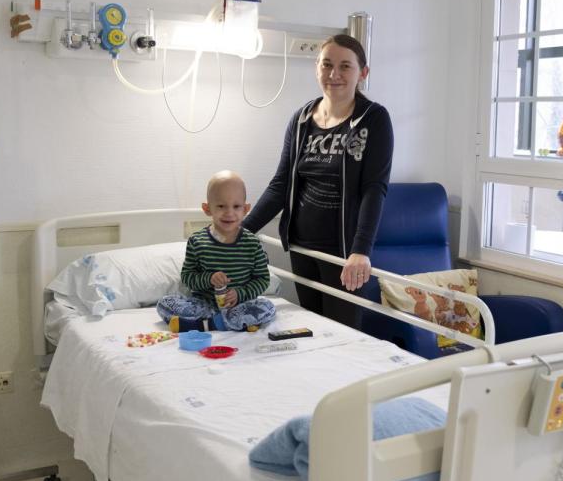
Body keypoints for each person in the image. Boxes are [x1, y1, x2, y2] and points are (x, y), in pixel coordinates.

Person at [243, 34, 393, 330]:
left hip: (343, 253)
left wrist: (361, 250)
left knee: (341, 335)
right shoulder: (301, 120)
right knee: (313, 331)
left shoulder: (373, 119)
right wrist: (241, 232)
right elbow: (280, 185)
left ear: (363, 73)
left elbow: (374, 189)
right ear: (317, 68)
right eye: (327, 64)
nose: (334, 74)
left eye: (345, 66)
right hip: (303, 248)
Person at [157, 170, 275, 331]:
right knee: (165, 303)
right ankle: (226, 323)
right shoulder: (197, 241)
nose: (229, 213)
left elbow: (262, 279)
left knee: (267, 306)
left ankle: (207, 324)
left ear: (245, 209)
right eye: (221, 206)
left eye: (236, 206)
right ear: (207, 208)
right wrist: (209, 278)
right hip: (205, 306)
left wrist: (239, 293)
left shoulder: (252, 243)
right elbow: (187, 277)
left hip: (239, 305)